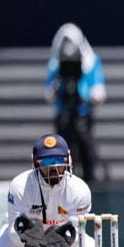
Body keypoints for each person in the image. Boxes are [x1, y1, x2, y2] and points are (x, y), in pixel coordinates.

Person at [44, 23, 105, 184]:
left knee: (86, 149)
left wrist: (94, 95)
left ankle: (91, 183)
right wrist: (56, 87)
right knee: (61, 151)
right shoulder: (55, 64)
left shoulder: (91, 62)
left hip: (82, 113)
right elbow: (49, 92)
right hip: (63, 114)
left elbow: (99, 90)